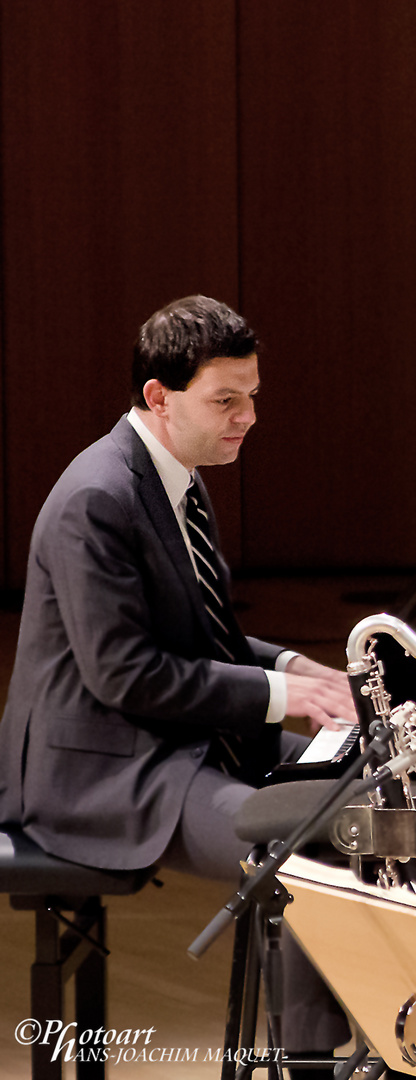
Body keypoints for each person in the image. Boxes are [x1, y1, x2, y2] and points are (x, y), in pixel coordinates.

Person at [0, 295, 355, 1051]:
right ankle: (306, 1061)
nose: (247, 417)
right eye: (226, 400)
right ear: (159, 398)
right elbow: (126, 676)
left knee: (365, 800)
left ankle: (382, 1042)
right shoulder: (98, 497)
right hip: (102, 771)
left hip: (168, 741)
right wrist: (287, 697)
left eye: (252, 396)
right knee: (307, 844)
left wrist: (298, 666)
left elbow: (201, 634)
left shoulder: (177, 473)